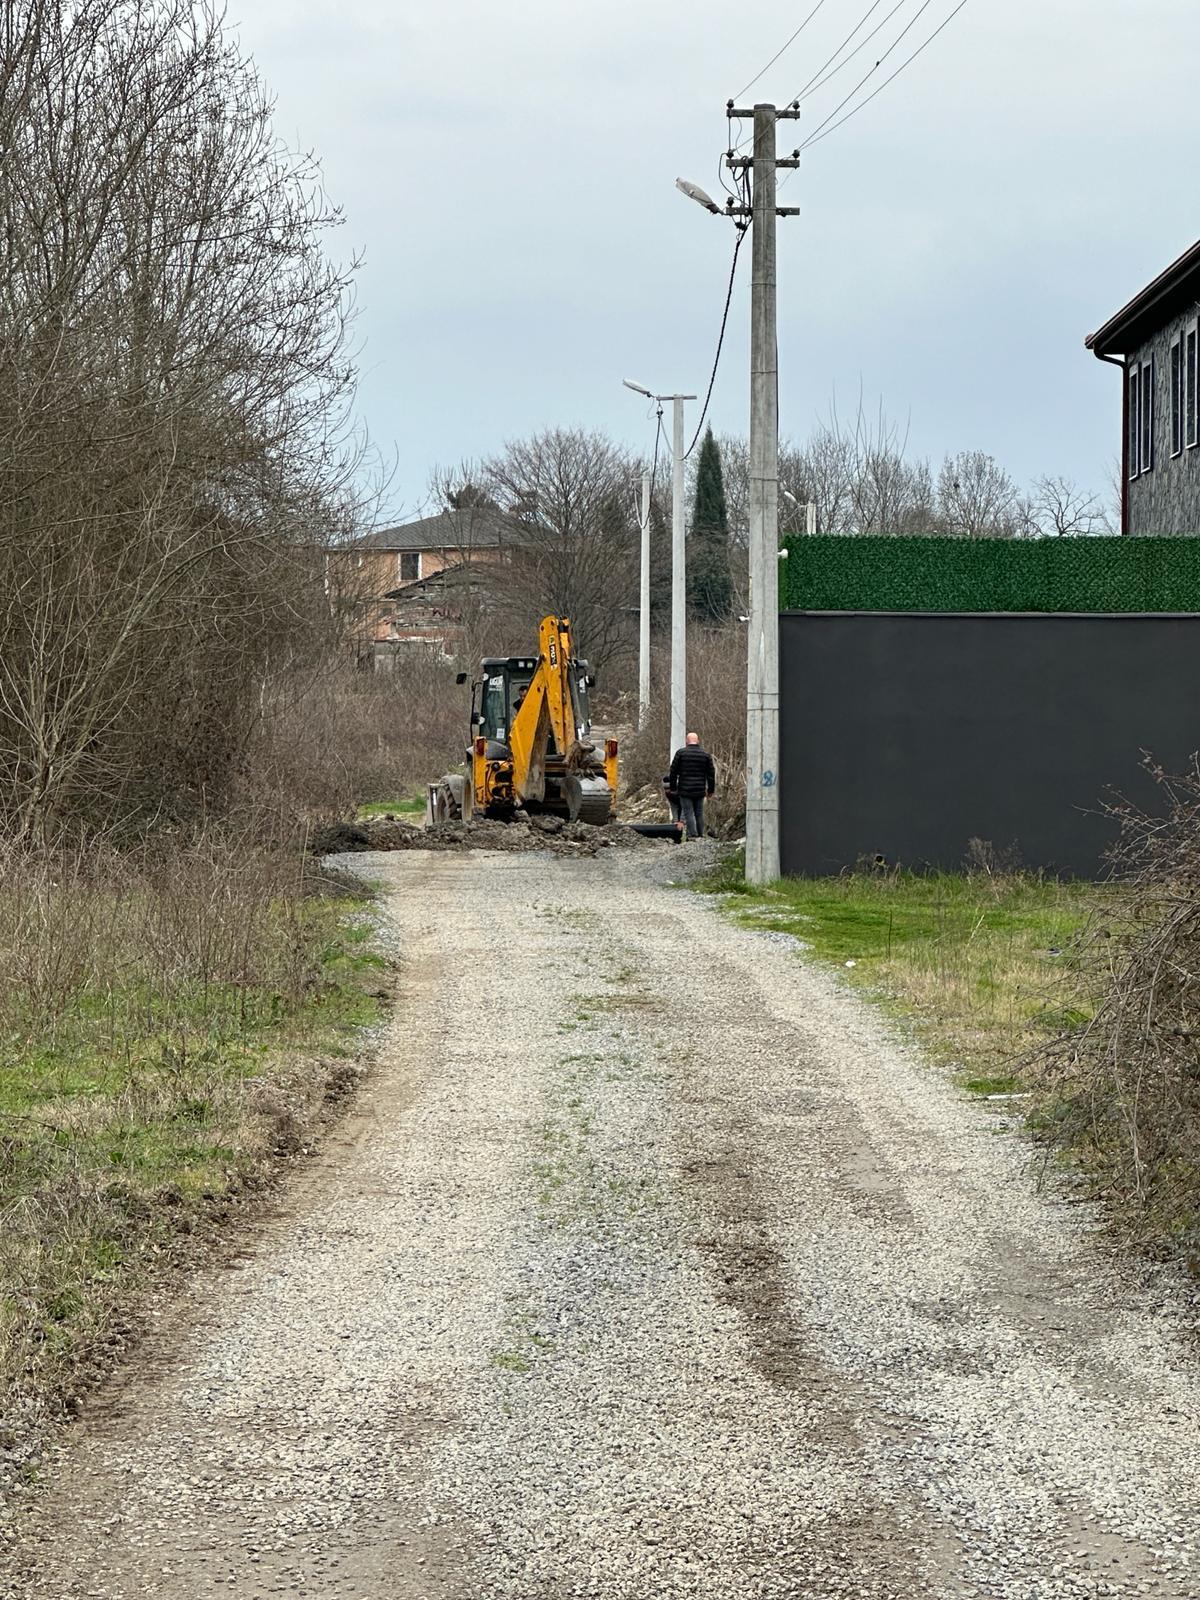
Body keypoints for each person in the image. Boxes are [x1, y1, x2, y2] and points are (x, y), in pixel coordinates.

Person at [668, 731, 716, 840]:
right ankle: (700, 834)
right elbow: (711, 774)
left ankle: (692, 835)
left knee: (688, 812)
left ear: (686, 741)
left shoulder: (681, 753)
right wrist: (711, 790)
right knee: (699, 812)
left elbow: (673, 772)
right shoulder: (705, 755)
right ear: (698, 741)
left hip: (685, 789)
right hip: (700, 789)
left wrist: (673, 788)